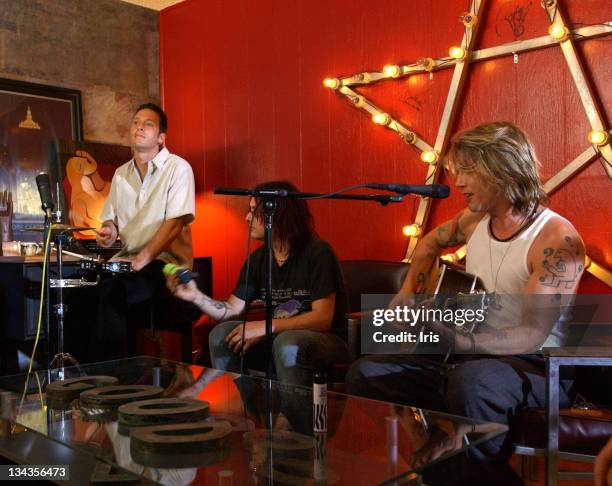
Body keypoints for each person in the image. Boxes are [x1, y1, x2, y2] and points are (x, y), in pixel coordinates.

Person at [346, 122, 585, 485]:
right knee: (366, 373)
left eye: (469, 171)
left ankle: (454, 474)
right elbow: (427, 245)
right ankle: (433, 452)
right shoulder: (473, 222)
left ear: (501, 169)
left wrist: (459, 341)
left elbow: (531, 335)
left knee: (471, 381)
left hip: (537, 366)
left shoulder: (555, 239)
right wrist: (407, 294)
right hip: (468, 358)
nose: (459, 182)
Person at [167, 180, 348, 388]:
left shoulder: (318, 252)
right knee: (221, 335)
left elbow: (322, 319)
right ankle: (245, 410)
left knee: (288, 343)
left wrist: (264, 328)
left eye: (254, 211)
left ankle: (292, 418)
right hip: (278, 336)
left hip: (326, 341)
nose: (247, 218)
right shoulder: (258, 259)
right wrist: (195, 296)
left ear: (277, 214)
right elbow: (232, 310)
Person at [93, 103, 195, 360]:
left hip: (166, 265)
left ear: (161, 138)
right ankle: (95, 376)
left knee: (112, 293)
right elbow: (110, 224)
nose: (139, 127)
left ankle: (113, 379)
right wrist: (107, 233)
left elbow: (175, 223)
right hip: (130, 264)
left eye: (147, 124)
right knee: (84, 291)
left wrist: (143, 257)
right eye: (135, 122)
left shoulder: (178, 168)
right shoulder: (120, 174)